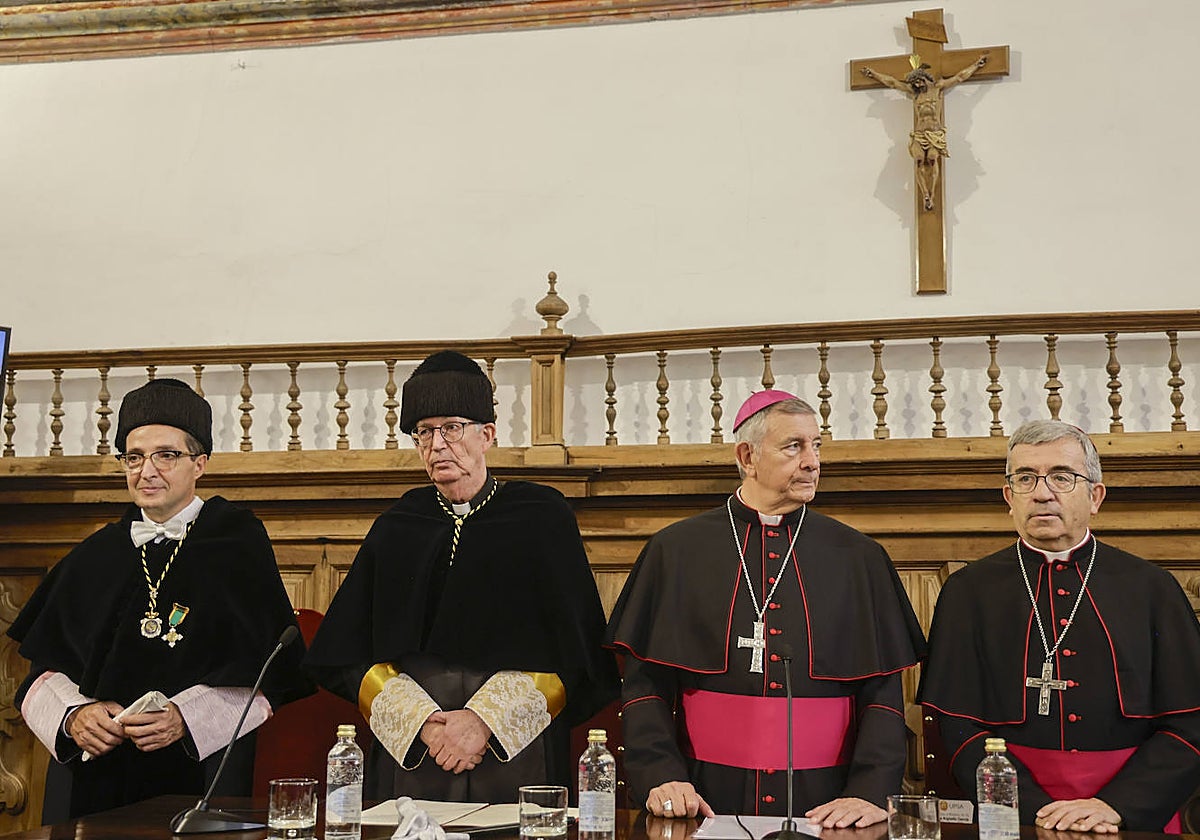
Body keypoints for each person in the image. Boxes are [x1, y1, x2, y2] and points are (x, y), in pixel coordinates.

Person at [304, 350, 620, 802]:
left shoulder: (541, 517)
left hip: (517, 750)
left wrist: (486, 722)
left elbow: (579, 656)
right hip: (415, 748)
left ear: (486, 434)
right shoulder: (398, 525)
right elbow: (346, 658)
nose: (436, 445)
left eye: (451, 428)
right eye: (423, 432)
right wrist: (422, 724)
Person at [605, 390, 925, 826]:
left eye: (817, 446)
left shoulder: (858, 557)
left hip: (828, 807)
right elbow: (645, 686)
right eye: (794, 446)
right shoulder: (676, 551)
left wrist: (868, 792)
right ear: (747, 456)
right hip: (704, 799)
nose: (812, 461)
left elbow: (883, 696)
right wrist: (662, 776)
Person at [8, 378, 311, 821]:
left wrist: (184, 718)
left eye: (166, 455)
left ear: (200, 463)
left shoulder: (236, 542)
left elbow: (271, 676)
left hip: (201, 771)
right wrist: (75, 716)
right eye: (134, 457)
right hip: (93, 781)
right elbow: (40, 672)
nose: (147, 471)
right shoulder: (97, 552)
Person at [919, 420, 1200, 833]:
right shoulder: (968, 592)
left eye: (1061, 477)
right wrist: (1032, 810)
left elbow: (1190, 722)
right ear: (1008, 497)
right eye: (1025, 478)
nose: (1042, 492)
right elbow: (957, 725)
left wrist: (1117, 805)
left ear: (1095, 496)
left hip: (1132, 814)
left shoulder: (1151, 588)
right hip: (1014, 815)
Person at [861, 54, 987, 211]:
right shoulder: (915, 93)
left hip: (935, 135)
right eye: (914, 83)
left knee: (933, 159)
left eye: (918, 81)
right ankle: (925, 194)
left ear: (924, 78)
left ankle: (931, 193)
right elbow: (892, 82)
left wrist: (976, 65)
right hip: (919, 135)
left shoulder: (938, 87)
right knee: (919, 160)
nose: (917, 85)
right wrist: (873, 74)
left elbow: (960, 77)